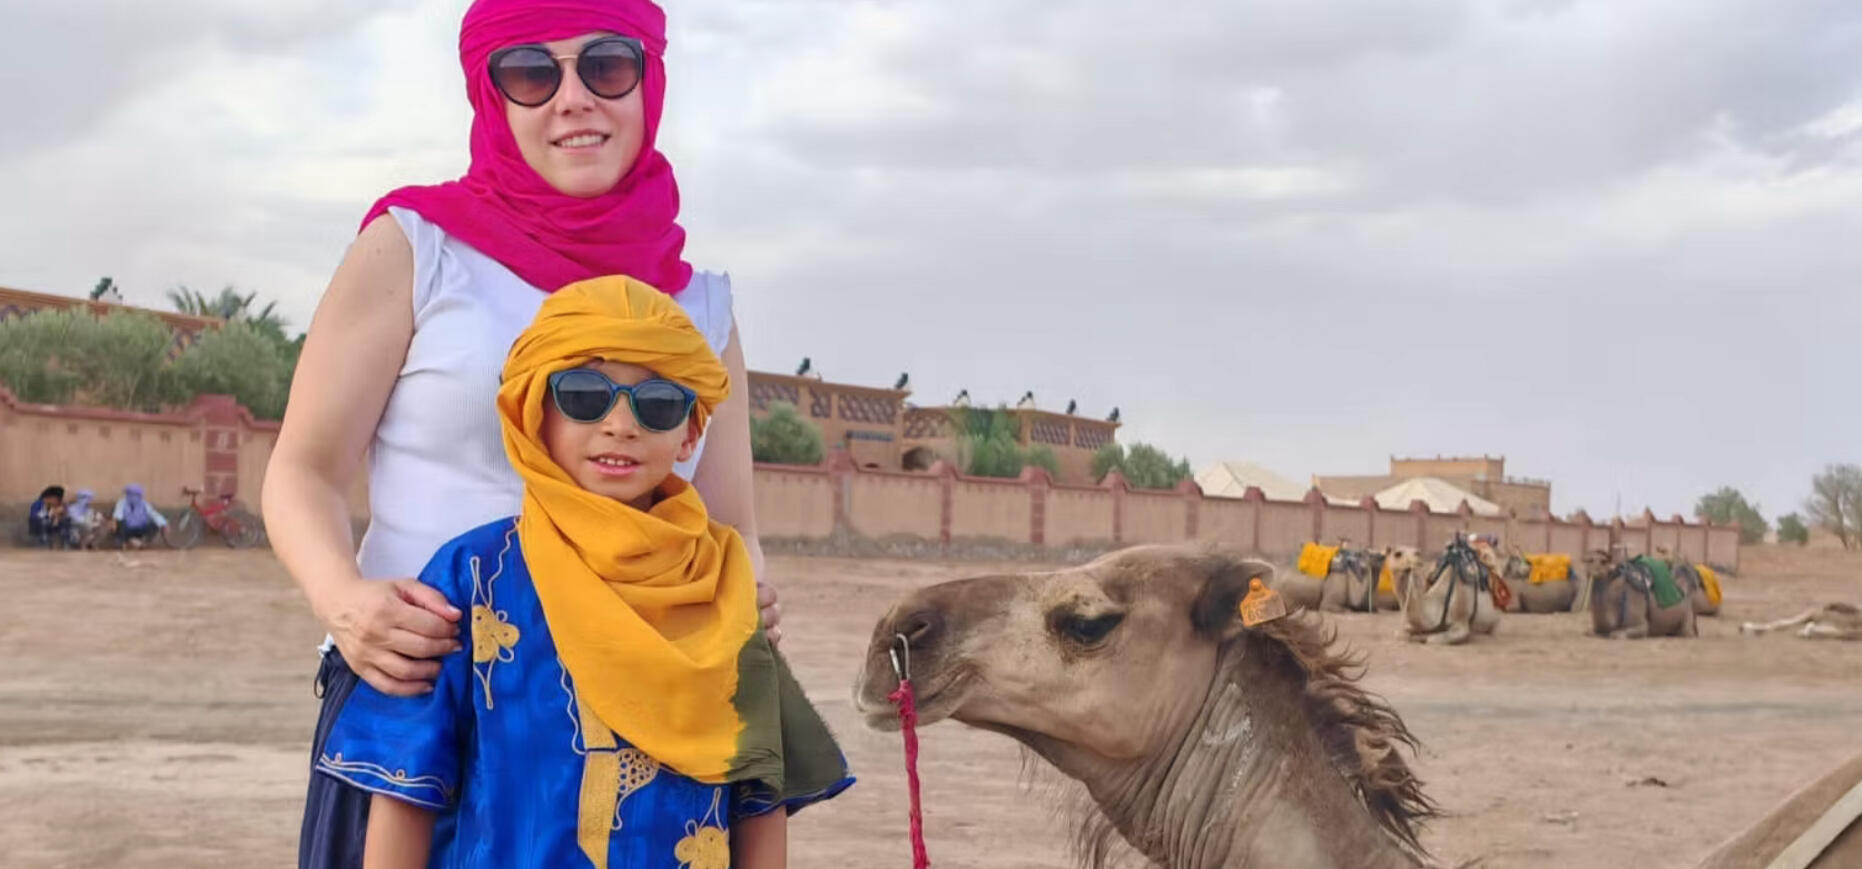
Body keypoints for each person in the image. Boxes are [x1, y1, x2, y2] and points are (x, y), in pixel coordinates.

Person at [259, 1, 784, 863]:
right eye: (532, 73)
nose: (573, 98)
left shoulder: (700, 305)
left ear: (649, 80)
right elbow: (302, 469)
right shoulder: (414, 249)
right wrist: (344, 600)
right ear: (489, 91)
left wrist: (743, 593)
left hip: (643, 728)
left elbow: (733, 525)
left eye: (606, 65)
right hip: (423, 707)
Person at [314, 277, 849, 869]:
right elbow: (406, 786)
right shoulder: (473, 579)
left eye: (658, 403)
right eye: (584, 395)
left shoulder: (721, 585)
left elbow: (760, 793)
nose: (621, 424)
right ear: (535, 412)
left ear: (691, 432)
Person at [112, 484, 168, 548]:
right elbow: (118, 514)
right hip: (127, 530)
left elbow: (154, 514)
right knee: (120, 522)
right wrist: (114, 522)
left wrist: (163, 524)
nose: (132, 497)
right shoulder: (122, 502)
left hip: (141, 529)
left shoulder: (144, 504)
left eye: (135, 495)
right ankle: (125, 543)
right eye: (130, 494)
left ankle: (143, 543)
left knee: (154, 525)